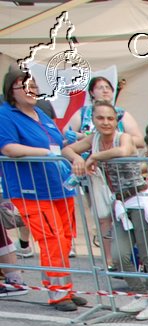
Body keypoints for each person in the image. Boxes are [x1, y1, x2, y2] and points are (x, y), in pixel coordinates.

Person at [73, 100, 148, 320]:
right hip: (120, 203)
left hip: (139, 199)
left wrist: (94, 156)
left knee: (147, 254)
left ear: (116, 120)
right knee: (119, 255)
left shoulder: (122, 137)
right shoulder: (94, 139)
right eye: (100, 118)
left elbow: (126, 150)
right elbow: (67, 148)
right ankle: (140, 294)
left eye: (110, 118)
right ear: (93, 120)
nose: (106, 122)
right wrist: (77, 157)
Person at [0, 69, 86, 308]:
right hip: (32, 190)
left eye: (33, 86)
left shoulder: (41, 113)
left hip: (59, 187)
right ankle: (58, 293)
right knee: (51, 240)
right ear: (11, 92)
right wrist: (46, 154)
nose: (31, 91)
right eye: (23, 86)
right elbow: (8, 149)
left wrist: (75, 158)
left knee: (65, 239)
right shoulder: (5, 115)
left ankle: (64, 288)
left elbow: (59, 145)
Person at [68, 74, 139, 141]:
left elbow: (139, 140)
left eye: (108, 87)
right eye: (100, 88)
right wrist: (79, 136)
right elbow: (67, 131)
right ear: (92, 92)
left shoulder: (121, 114)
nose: (105, 91)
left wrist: (116, 141)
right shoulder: (83, 112)